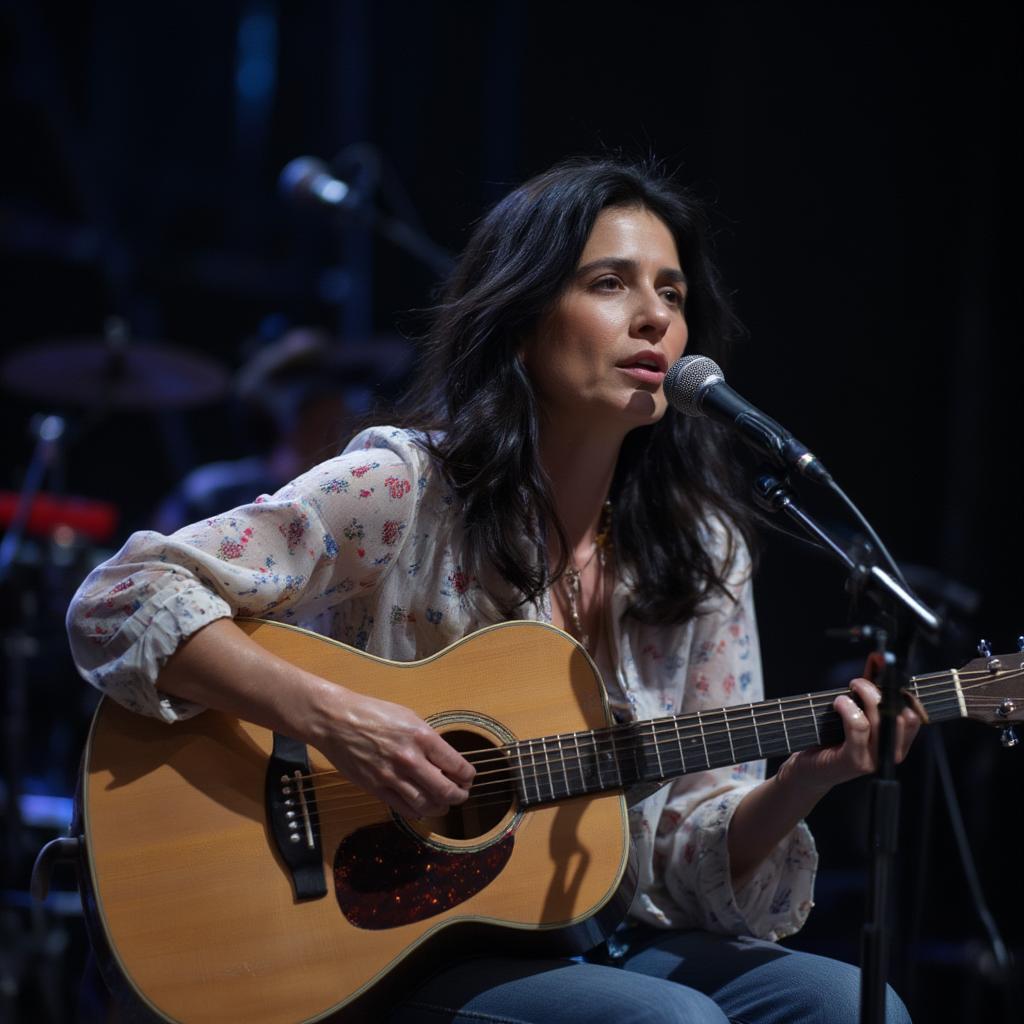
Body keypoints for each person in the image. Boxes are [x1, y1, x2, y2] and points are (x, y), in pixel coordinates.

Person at [66, 158, 920, 1024]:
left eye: (672, 291)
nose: (656, 315)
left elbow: (678, 859)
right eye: (610, 283)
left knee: (856, 1005)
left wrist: (807, 780)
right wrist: (341, 722)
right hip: (376, 930)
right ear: (521, 323)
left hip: (591, 932)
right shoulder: (403, 488)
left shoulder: (703, 552)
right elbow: (125, 597)